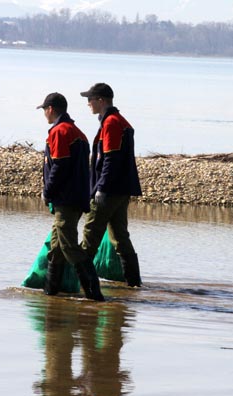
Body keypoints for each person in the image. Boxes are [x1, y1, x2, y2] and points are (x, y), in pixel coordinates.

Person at [37, 92, 105, 301]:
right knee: (57, 248)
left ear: (50, 109)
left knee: (68, 246)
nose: (44, 115)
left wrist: (47, 192)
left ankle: (95, 295)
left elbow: (59, 166)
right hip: (75, 197)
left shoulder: (60, 131)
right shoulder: (77, 132)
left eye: (44, 110)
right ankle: (51, 294)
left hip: (65, 200)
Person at [79, 83, 143, 287]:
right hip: (121, 190)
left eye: (91, 99)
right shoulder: (116, 121)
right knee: (120, 238)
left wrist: (101, 188)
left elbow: (111, 159)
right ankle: (134, 285)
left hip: (110, 191)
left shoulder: (112, 123)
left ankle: (80, 285)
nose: (88, 103)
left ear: (101, 100)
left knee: (90, 237)